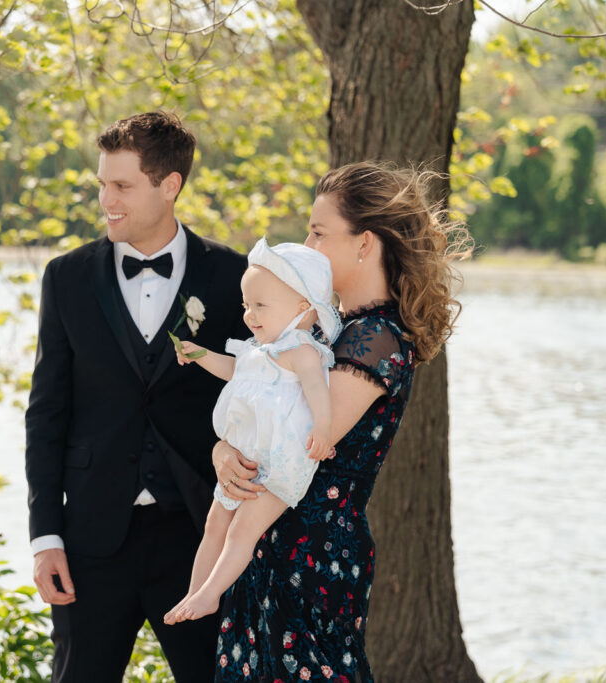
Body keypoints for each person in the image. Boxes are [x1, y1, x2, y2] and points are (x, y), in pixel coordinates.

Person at [210, 161, 469, 682]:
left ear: (365, 244)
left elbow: (297, 437)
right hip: (271, 540)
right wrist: (222, 451)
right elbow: (263, 410)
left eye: (319, 232)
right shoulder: (332, 330)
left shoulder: (376, 336)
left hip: (313, 555)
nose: (306, 244)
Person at [24, 110, 250, 682]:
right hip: (93, 542)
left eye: (122, 185)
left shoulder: (233, 277)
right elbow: (47, 414)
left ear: (169, 185)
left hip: (202, 533)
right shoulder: (66, 277)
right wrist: (46, 536)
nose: (107, 200)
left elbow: (260, 397)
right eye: (103, 184)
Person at [162, 238, 341, 625]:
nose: (249, 315)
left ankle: (210, 595)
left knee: (244, 527)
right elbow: (232, 370)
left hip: (282, 463)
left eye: (260, 305)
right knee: (215, 523)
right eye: (246, 305)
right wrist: (199, 355)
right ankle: (194, 592)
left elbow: (318, 393)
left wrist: (324, 431)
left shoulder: (302, 351)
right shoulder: (256, 351)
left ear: (302, 309)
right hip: (249, 456)